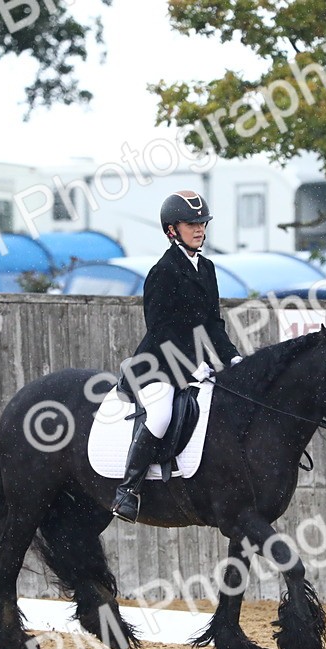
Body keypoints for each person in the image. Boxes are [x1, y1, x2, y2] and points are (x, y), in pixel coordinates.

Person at [110, 190, 244, 523]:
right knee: (160, 415)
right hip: (158, 364)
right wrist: (190, 367)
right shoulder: (163, 271)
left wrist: (233, 360)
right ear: (172, 230)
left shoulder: (207, 268)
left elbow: (212, 324)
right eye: (191, 224)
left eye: (202, 223)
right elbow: (160, 330)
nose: (199, 229)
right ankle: (127, 490)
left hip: (196, 363)